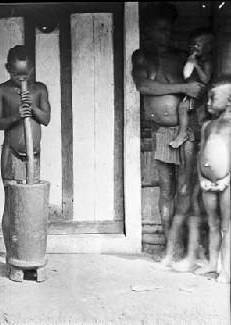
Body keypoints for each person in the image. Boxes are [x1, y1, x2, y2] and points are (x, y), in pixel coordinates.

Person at [131, 3, 205, 270]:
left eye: (169, 29)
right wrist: (183, 86)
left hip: (184, 131)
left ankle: (181, 246)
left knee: (185, 190)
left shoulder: (182, 56)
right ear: (149, 30)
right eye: (161, 29)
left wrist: (189, 87)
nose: (167, 34)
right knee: (166, 191)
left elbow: (199, 88)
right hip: (161, 132)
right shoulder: (141, 56)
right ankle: (168, 246)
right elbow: (143, 86)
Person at [0, 45, 50, 278]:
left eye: (25, 74)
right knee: (12, 206)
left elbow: (46, 119)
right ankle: (12, 255)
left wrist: (33, 106)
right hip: (12, 154)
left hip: (33, 158)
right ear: (8, 69)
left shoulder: (39, 89)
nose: (21, 79)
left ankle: (31, 253)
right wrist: (18, 114)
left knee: (31, 205)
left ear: (32, 69)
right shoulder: (2, 91)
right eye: (17, 74)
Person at [194, 78, 231, 283]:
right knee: (212, 224)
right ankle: (212, 264)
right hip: (207, 183)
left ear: (229, 101)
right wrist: (201, 179)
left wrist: (227, 179)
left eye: (212, 98)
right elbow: (201, 155)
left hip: (227, 184)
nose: (208, 103)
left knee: (227, 227)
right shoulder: (207, 125)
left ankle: (226, 270)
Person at [170, 28, 214, 149]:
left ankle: (182, 133)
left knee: (182, 107)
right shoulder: (197, 59)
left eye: (198, 45)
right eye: (192, 45)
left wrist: (196, 66)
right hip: (193, 91)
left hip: (201, 93)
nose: (194, 47)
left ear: (208, 48)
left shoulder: (207, 62)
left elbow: (205, 80)